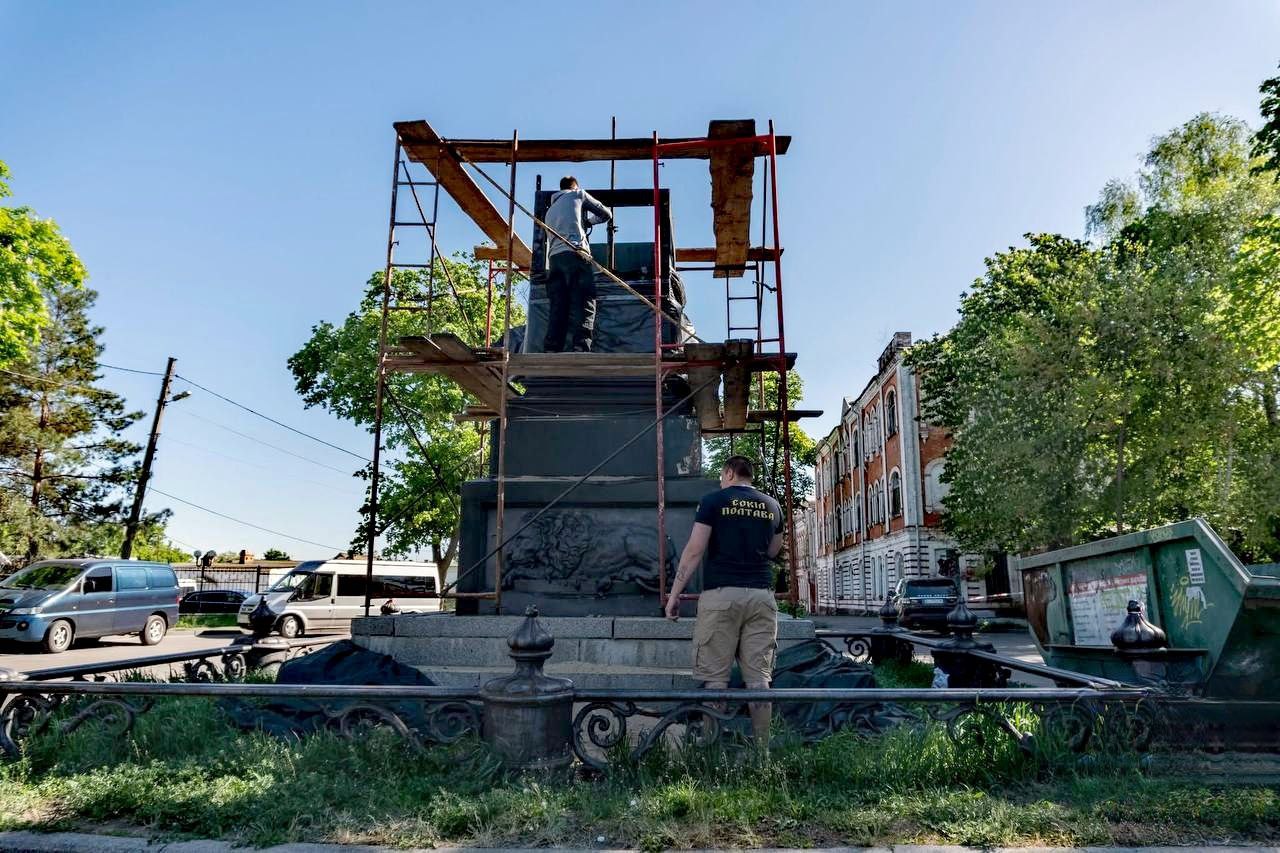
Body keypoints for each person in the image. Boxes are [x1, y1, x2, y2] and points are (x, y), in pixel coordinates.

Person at [665, 455, 784, 745]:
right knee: (759, 680)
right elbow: (773, 550)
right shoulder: (772, 505)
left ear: (730, 472)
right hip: (761, 597)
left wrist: (674, 595)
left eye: (721, 475)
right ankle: (762, 755)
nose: (720, 480)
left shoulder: (713, 501)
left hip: (721, 597)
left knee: (716, 679)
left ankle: (710, 748)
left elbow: (694, 551)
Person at [542, 176, 612, 352]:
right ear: (575, 187)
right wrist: (588, 221)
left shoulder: (549, 212)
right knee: (584, 300)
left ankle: (552, 348)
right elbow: (606, 214)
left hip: (555, 260)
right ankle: (581, 345)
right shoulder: (577, 194)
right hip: (576, 253)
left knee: (559, 305)